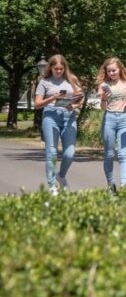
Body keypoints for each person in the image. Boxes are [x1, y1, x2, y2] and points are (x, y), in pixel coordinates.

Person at [34, 55, 84, 194]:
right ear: (50, 67)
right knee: (52, 152)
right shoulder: (44, 82)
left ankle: (60, 176)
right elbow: (37, 104)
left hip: (69, 117)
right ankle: (51, 186)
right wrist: (52, 98)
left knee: (70, 153)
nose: (58, 71)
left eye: (61, 69)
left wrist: (74, 106)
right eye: (56, 68)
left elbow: (80, 98)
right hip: (51, 116)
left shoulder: (72, 79)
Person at [97, 57, 126, 193]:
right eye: (109, 71)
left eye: (114, 70)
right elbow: (102, 107)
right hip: (109, 118)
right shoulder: (103, 85)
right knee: (109, 154)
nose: (112, 73)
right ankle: (110, 185)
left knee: (123, 154)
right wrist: (104, 98)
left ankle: (124, 185)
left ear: (120, 69)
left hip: (124, 119)